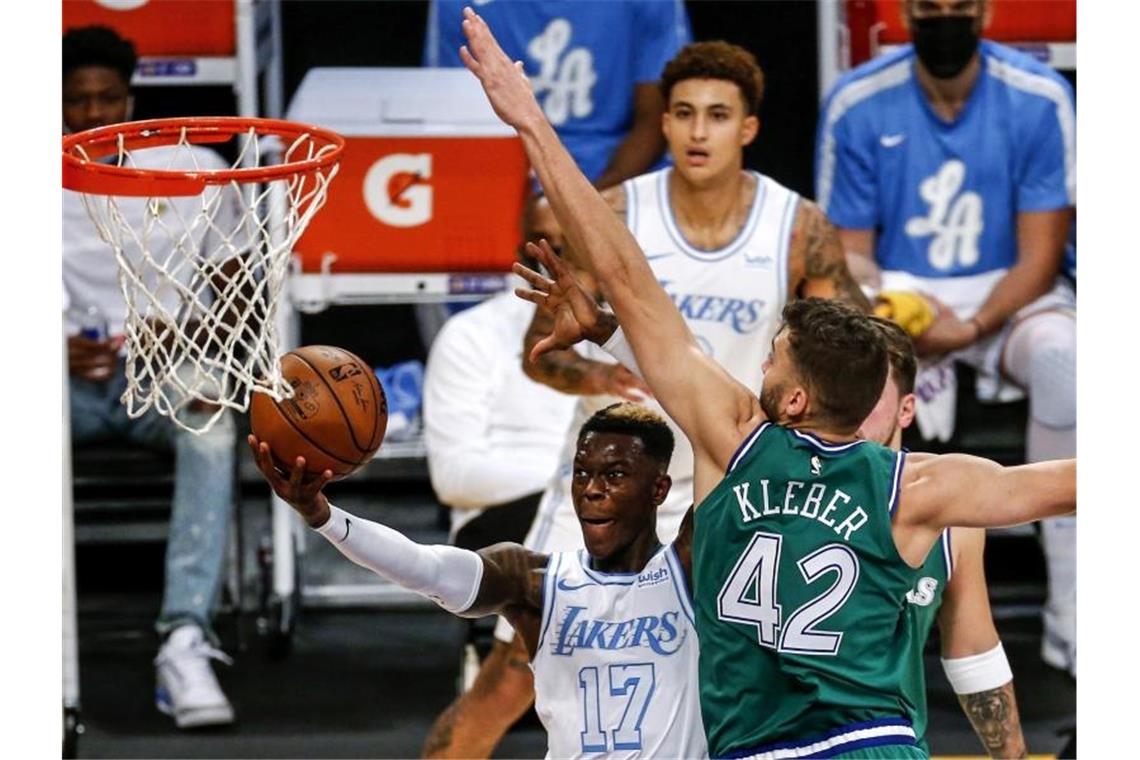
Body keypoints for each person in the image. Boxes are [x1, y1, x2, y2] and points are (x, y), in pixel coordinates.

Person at [458, 7, 1075, 756]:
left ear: (792, 399)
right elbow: (1067, 483)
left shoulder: (738, 440)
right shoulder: (921, 488)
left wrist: (529, 119)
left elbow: (621, 268)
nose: (757, 362)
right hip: (875, 743)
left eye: (771, 355)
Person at [423, 39, 870, 758]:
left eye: (718, 116)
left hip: (731, 481)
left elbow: (847, 355)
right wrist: (600, 375)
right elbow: (545, 351)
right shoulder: (613, 212)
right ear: (661, 123)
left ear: (748, 128)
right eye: (685, 113)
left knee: (744, 676)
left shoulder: (799, 228)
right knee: (516, 671)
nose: (699, 131)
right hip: (615, 474)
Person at [814, 0, 1077, 675]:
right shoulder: (857, 100)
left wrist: (974, 325)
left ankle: (1076, 618)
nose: (945, 19)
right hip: (899, 296)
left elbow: (1040, 254)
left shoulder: (1040, 95)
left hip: (1007, 296)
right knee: (840, 380)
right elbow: (849, 255)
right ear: (906, 12)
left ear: (985, 12)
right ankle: (846, 613)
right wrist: (891, 308)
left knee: (1067, 363)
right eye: (930, 8)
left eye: (959, 7)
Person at [249, 403, 708, 759]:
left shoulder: (691, 567)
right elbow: (423, 567)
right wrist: (323, 517)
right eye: (582, 472)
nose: (591, 488)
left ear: (659, 490)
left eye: (614, 475)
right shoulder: (535, 582)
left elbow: (726, 435)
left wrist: (616, 341)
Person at [64, 25, 241, 728]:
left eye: (108, 98)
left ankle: (185, 638)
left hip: (164, 374)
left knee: (211, 430)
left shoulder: (190, 165)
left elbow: (235, 297)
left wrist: (185, 329)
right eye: (78, 100)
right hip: (68, 384)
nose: (93, 114)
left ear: (129, 99)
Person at [421, 195, 577, 696]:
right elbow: (454, 476)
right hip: (503, 517)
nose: (556, 257)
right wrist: (566, 482)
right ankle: (499, 652)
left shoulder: (618, 336)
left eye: (571, 245)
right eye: (545, 244)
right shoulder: (469, 336)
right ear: (523, 247)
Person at [861, 318, 1026, 758]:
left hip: (891, 745)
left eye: (869, 391)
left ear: (906, 409)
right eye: (840, 387)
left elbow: (971, 646)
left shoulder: (952, 502)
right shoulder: (774, 484)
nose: (851, 404)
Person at [423, 0, 691, 189]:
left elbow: (657, 119)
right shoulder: (458, 4)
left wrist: (586, 208)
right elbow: (453, 125)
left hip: (620, 179)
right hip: (500, 177)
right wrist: (519, 205)